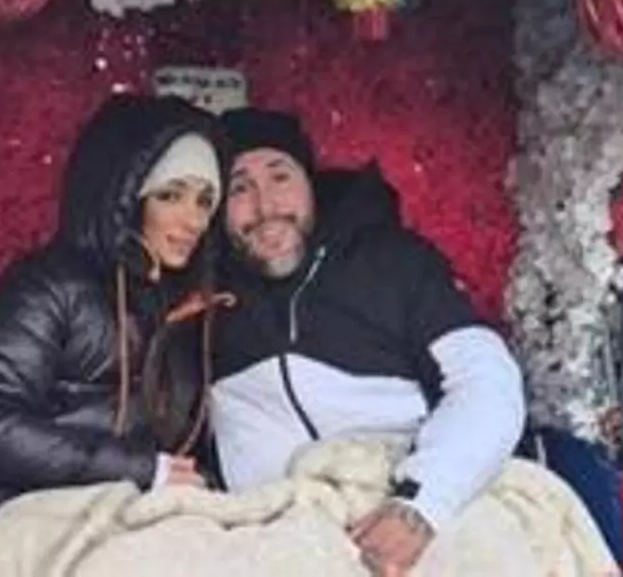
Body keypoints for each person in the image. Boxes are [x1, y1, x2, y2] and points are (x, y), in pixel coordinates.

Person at [209, 109, 527, 576]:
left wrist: (422, 502)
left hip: (410, 491)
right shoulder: (202, 297)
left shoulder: (392, 261)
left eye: (280, 177)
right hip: (276, 527)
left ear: (311, 185)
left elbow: (485, 379)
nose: (265, 205)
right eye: (240, 188)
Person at [0, 95, 230, 531]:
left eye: (204, 200)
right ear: (124, 198)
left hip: (118, 520)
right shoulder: (50, 284)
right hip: (0, 510)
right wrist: (141, 470)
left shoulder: (187, 305)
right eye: (170, 195)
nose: (193, 219)